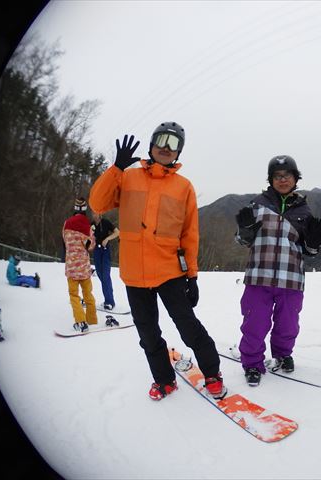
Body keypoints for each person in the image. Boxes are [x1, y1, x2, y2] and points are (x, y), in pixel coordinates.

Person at [89, 121, 226, 401]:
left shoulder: (183, 187)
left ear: (179, 152)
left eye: (173, 144)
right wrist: (116, 169)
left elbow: (190, 235)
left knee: (189, 328)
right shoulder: (128, 177)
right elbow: (98, 204)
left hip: (170, 272)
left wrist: (192, 276)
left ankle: (212, 373)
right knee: (148, 334)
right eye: (161, 140)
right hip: (134, 274)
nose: (166, 147)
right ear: (151, 145)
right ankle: (164, 380)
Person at [235, 155, 321, 387]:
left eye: (287, 175)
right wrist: (245, 231)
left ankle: (283, 353)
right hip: (259, 276)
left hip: (291, 277)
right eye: (277, 176)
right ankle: (252, 363)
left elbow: (308, 250)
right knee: (255, 323)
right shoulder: (257, 204)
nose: (283, 179)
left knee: (288, 324)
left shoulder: (304, 210)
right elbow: (242, 240)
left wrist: (313, 244)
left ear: (296, 178)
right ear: (271, 180)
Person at [63, 197, 97, 332]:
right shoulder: (87, 227)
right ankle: (92, 320)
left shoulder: (66, 223)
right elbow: (90, 246)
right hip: (84, 267)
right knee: (88, 293)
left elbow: (64, 241)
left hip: (71, 267)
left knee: (74, 295)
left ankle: (81, 321)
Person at [91, 211, 120, 311]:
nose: (94, 215)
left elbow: (117, 232)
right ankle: (107, 299)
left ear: (100, 214)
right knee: (100, 275)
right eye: (93, 213)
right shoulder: (91, 225)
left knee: (106, 276)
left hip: (105, 251)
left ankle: (110, 301)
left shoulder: (106, 222)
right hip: (96, 251)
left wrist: (107, 239)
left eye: (96, 213)